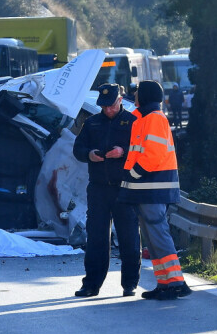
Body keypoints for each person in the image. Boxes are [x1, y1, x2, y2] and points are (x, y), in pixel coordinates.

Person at [120, 80, 192, 300]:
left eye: (138, 93)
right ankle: (165, 283)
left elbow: (152, 155)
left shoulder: (154, 119)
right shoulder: (145, 119)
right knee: (152, 239)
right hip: (145, 188)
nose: (135, 96)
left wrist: (132, 174)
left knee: (158, 235)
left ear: (146, 96)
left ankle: (176, 283)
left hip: (152, 187)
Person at [72, 83, 141, 298]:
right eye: (104, 107)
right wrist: (89, 154)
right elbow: (78, 149)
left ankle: (129, 284)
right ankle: (91, 284)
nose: (108, 110)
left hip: (124, 188)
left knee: (129, 237)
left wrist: (123, 152)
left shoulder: (132, 122)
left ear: (120, 100)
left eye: (111, 106)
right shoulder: (92, 123)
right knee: (96, 238)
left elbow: (142, 151)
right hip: (98, 188)